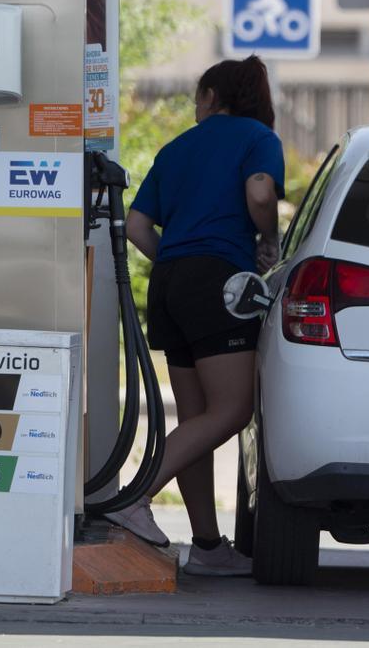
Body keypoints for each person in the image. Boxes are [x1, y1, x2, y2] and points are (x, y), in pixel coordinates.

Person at [107, 56, 283, 577]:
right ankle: (133, 499)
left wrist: (180, 265)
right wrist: (268, 240)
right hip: (219, 283)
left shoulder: (178, 146)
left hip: (169, 282)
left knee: (198, 419)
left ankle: (207, 546)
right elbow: (259, 194)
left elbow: (138, 226)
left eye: (196, 98)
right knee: (231, 411)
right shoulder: (258, 137)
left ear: (210, 96)